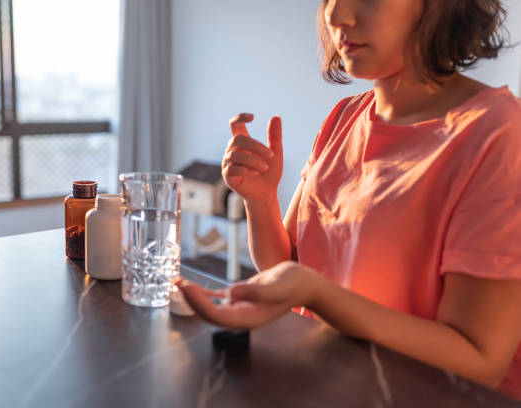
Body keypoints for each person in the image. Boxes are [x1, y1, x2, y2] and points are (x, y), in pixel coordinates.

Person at [176, 0, 521, 399]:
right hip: (330, 381)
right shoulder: (345, 116)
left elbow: (479, 360)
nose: (335, 15)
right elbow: (286, 266)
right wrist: (260, 199)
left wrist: (318, 294)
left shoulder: (498, 135)